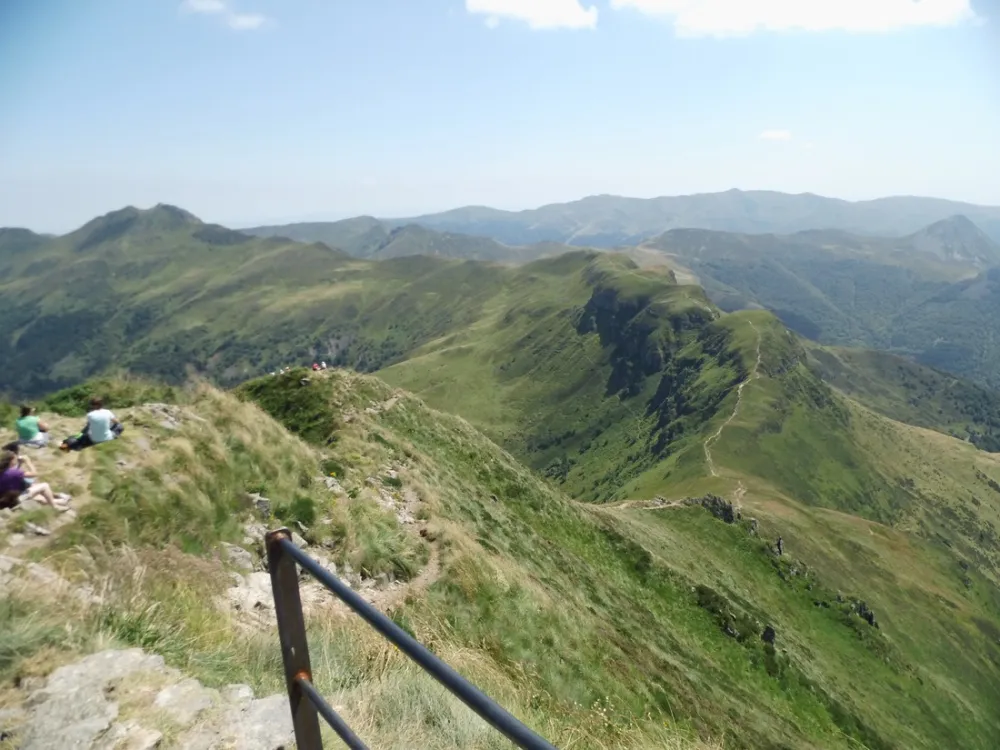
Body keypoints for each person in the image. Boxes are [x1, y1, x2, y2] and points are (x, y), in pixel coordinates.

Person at [0, 450, 70, 510]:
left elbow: (13, 476)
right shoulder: (13, 472)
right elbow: (34, 474)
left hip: (5, 500)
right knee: (44, 486)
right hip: (15, 499)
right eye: (15, 459)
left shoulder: (3, 470)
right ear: (11, 461)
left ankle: (61, 500)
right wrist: (28, 461)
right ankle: (55, 506)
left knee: (36, 492)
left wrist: (19, 464)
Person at [59, 397, 124, 452]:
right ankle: (115, 437)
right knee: (119, 426)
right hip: (107, 438)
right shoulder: (107, 412)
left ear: (93, 405)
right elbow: (117, 422)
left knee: (83, 434)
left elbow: (89, 426)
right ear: (101, 404)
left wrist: (82, 432)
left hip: (93, 440)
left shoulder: (90, 415)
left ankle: (69, 444)